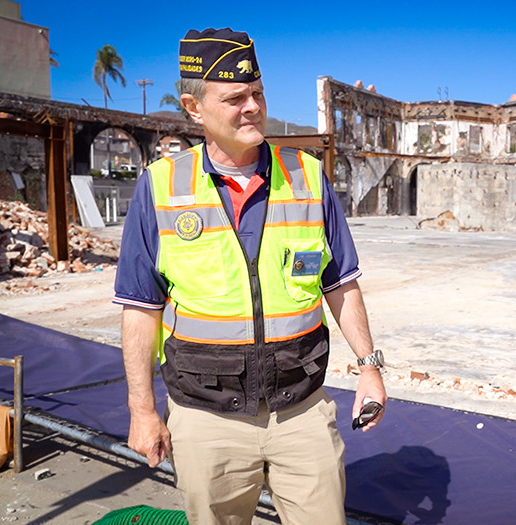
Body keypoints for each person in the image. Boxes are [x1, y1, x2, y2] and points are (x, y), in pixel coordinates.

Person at [114, 28, 387, 525]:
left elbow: (340, 283)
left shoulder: (306, 177)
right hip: (205, 418)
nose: (253, 107)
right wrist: (142, 410)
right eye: (235, 97)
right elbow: (141, 309)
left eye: (258, 93)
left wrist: (369, 368)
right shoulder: (159, 188)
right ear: (194, 108)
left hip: (300, 409)